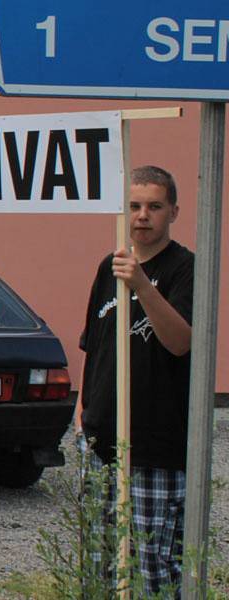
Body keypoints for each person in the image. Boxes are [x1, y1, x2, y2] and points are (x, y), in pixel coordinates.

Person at [75, 165, 194, 596]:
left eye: (154, 206)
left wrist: (143, 285)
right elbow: (94, 346)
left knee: (153, 574)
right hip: (102, 447)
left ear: (174, 211)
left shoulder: (184, 268)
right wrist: (82, 417)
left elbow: (180, 342)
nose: (143, 215)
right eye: (134, 206)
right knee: (99, 569)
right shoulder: (109, 266)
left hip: (155, 450)